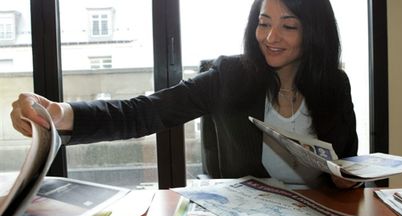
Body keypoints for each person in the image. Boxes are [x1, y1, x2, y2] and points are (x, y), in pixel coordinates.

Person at [10, 0, 359, 189]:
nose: (270, 37)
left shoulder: (335, 85)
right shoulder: (230, 76)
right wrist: (61, 113)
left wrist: (346, 182)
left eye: (289, 26)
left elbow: (348, 165)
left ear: (314, 32)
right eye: (264, 22)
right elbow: (144, 112)